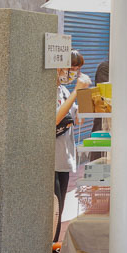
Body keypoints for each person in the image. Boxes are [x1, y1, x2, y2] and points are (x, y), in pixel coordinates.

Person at [55, 50, 90, 243]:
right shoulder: (52, 90)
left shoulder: (64, 90)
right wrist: (77, 91)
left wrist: (83, 95)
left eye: (76, 70)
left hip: (65, 158)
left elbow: (80, 119)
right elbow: (55, 119)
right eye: (69, 68)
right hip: (52, 160)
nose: (71, 73)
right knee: (52, 214)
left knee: (58, 213)